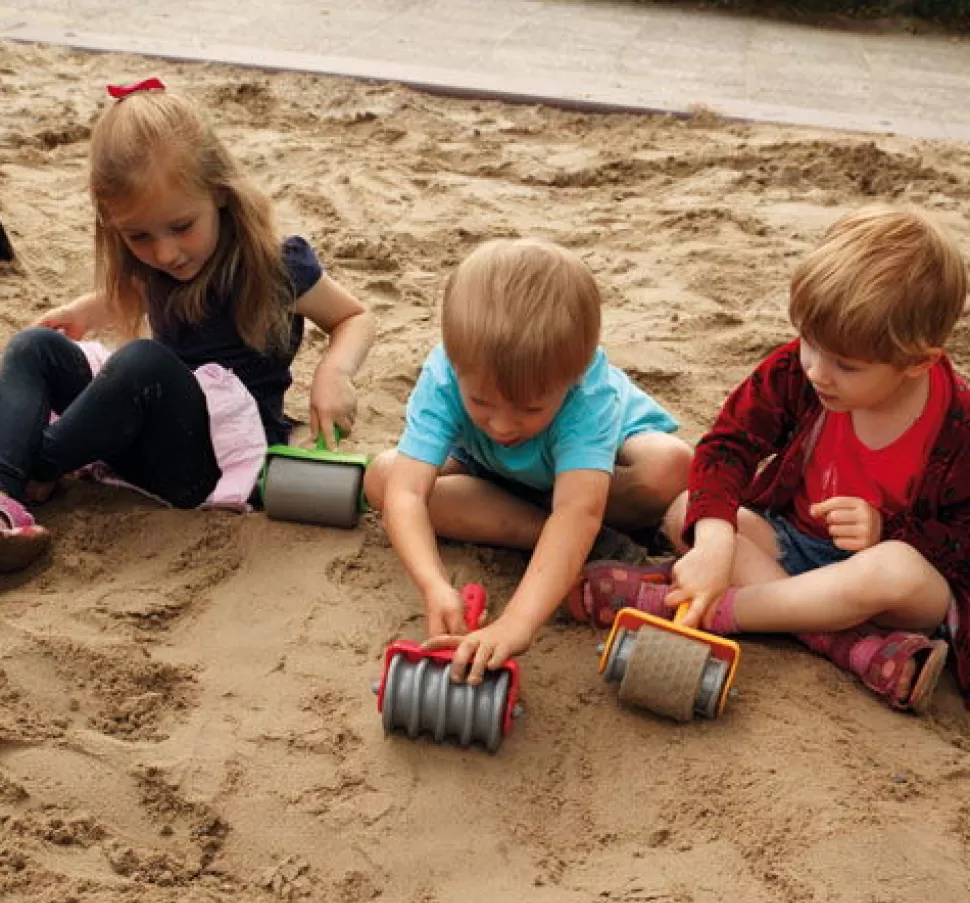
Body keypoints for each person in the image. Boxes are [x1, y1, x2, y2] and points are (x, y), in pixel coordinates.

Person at [569, 206, 970, 713]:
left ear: (918, 363)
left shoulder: (957, 423)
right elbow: (728, 446)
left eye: (846, 365)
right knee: (687, 509)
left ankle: (721, 612)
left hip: (887, 591)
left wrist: (885, 530)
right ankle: (845, 644)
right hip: (791, 545)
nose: (817, 371)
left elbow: (960, 541)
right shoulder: (799, 370)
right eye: (809, 343)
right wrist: (714, 542)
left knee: (893, 570)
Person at [0, 78, 374, 570]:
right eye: (139, 237)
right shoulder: (158, 264)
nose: (165, 253)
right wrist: (88, 311)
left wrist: (334, 373)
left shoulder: (275, 266)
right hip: (139, 437)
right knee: (34, 346)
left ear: (220, 193)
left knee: (143, 360)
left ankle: (38, 463)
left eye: (181, 227)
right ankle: (4, 500)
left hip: (210, 460)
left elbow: (354, 317)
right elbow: (136, 291)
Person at [364, 238, 692, 685]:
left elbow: (580, 509)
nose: (502, 425)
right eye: (480, 402)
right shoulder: (445, 373)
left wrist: (517, 622)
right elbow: (407, 491)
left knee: (670, 465)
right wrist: (434, 585)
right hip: (493, 477)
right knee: (384, 477)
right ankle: (558, 539)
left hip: (598, 477)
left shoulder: (587, 394)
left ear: (572, 379)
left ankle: (576, 539)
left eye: (531, 408)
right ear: (456, 366)